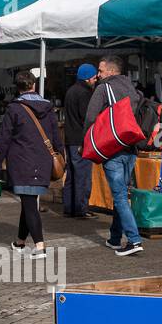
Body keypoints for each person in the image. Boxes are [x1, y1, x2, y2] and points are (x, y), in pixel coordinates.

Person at [0, 70, 62, 261]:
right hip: (43, 161)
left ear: (18, 88)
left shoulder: (14, 109)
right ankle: (20, 242)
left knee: (29, 203)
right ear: (34, 85)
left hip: (21, 162)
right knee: (29, 201)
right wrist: (61, 156)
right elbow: (56, 136)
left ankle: (40, 246)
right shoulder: (48, 109)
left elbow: (3, 139)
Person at [84, 55, 144, 256]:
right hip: (131, 149)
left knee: (118, 196)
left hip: (113, 149)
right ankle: (115, 238)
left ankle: (134, 240)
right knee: (121, 195)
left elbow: (90, 118)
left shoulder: (103, 89)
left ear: (110, 71)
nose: (98, 74)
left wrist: (88, 142)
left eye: (100, 71)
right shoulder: (131, 89)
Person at [62, 63, 98, 219]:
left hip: (70, 138)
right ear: (88, 77)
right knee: (82, 175)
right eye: (94, 77)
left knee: (71, 175)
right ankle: (81, 209)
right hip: (80, 140)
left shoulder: (71, 90)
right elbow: (86, 117)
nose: (96, 80)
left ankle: (69, 207)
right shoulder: (84, 93)